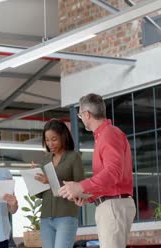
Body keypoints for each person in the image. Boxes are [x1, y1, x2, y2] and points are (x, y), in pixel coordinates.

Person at [59, 93, 136, 248]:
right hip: (111, 205)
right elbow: (109, 180)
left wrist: (81, 186)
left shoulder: (109, 135)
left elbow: (113, 173)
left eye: (80, 115)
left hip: (113, 206)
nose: (81, 119)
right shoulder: (105, 135)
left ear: (87, 114)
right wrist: (88, 196)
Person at [32, 119, 84, 248]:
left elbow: (81, 188)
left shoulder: (73, 157)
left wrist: (50, 181)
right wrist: (34, 179)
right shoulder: (45, 160)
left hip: (66, 216)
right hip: (45, 218)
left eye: (54, 139)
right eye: (47, 140)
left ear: (63, 136)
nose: (50, 143)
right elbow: (40, 195)